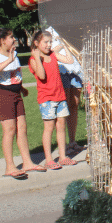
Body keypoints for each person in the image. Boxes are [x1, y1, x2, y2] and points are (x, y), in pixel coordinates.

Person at [0, 28, 38, 179]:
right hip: (2, 95)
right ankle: (10, 167)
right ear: (2, 41)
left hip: (15, 93)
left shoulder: (13, 52)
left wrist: (21, 87)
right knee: (9, 130)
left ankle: (27, 162)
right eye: (11, 37)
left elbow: (13, 73)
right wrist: (8, 60)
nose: (14, 39)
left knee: (22, 127)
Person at [28, 30, 77, 169]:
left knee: (61, 126)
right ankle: (49, 159)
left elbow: (70, 60)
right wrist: (37, 58)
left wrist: (65, 45)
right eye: (45, 42)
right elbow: (42, 76)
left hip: (60, 96)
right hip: (47, 99)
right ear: (36, 43)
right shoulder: (33, 60)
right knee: (49, 128)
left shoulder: (53, 55)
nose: (49, 45)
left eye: (50, 42)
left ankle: (63, 157)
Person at [45, 26, 84, 158]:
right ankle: (64, 144)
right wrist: (62, 44)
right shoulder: (49, 30)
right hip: (62, 70)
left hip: (76, 68)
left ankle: (72, 141)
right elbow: (48, 51)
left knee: (74, 104)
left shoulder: (73, 28)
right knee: (64, 107)